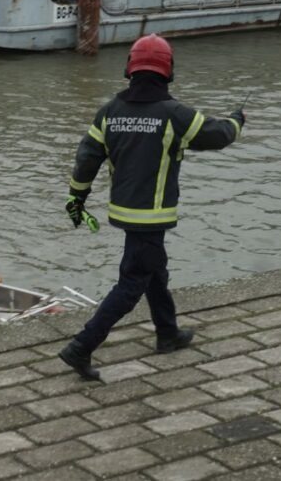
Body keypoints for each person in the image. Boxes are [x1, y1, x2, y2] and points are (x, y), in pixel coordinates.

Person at [59, 34, 245, 380]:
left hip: (123, 211)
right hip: (152, 216)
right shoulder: (172, 114)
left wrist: (77, 198)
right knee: (132, 283)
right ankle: (81, 347)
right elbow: (218, 135)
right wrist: (237, 120)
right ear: (167, 70)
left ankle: (167, 333)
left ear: (130, 68)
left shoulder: (110, 112)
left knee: (154, 271)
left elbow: (86, 159)